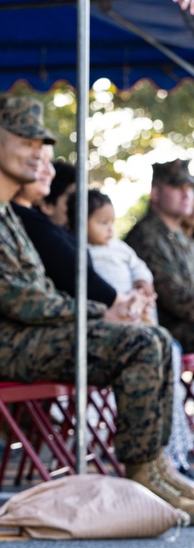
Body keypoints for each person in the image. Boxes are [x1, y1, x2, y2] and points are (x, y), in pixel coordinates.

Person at [0, 93, 193, 512]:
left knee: (154, 338)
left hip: (25, 333)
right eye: (27, 144)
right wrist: (99, 312)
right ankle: (141, 478)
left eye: (41, 146)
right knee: (142, 344)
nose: (38, 156)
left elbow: (37, 298)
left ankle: (157, 467)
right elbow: (23, 302)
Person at [83, 189, 192, 475]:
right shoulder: (81, 254)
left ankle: (171, 456)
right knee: (156, 352)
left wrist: (142, 288)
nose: (109, 229)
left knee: (168, 365)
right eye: (101, 222)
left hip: (144, 324)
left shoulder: (120, 248)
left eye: (111, 222)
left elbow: (141, 269)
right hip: (114, 330)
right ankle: (147, 463)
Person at [10, 146, 120, 310]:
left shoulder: (62, 233)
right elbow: (79, 277)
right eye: (73, 199)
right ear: (47, 205)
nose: (81, 206)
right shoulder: (37, 227)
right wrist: (121, 302)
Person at [126, 160, 194, 352]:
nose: (186, 194)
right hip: (162, 329)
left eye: (189, 187)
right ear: (155, 193)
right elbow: (176, 300)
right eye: (176, 187)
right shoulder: (145, 236)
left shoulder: (181, 236)